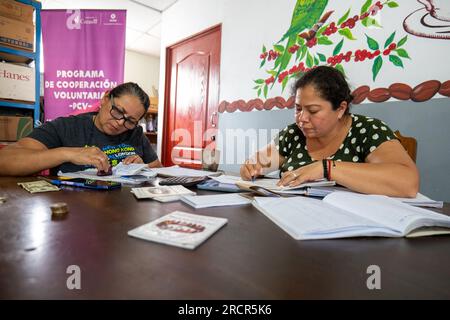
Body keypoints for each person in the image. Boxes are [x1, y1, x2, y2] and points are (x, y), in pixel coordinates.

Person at [240, 66, 419, 197]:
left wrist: (326, 168)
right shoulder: (294, 134)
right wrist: (251, 166)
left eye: (313, 111)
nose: (301, 118)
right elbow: (259, 162)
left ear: (341, 108)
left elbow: (408, 183)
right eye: (297, 108)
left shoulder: (367, 131)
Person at [0, 82, 162, 176]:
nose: (120, 122)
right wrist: (68, 153)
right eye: (118, 111)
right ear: (105, 99)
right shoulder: (66, 127)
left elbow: (158, 170)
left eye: (130, 120)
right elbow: (5, 160)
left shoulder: (135, 133)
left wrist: (142, 168)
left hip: (122, 212)